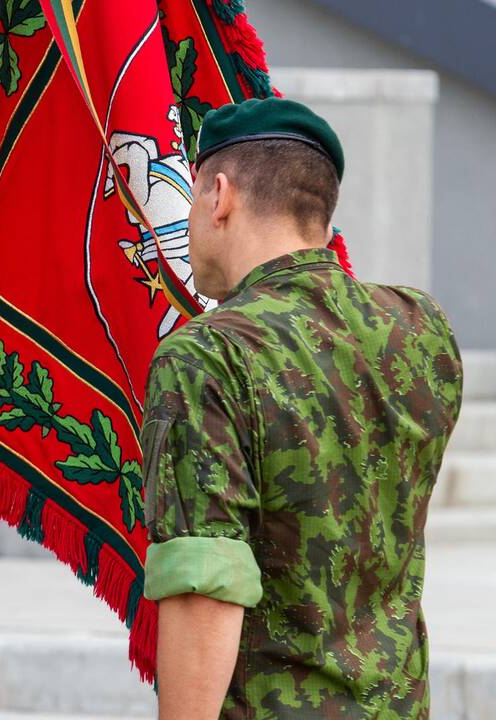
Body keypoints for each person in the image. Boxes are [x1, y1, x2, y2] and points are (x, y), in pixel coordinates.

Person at [139, 97, 463, 719]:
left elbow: (204, 589)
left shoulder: (208, 354)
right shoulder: (422, 329)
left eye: (194, 195)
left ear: (220, 196)